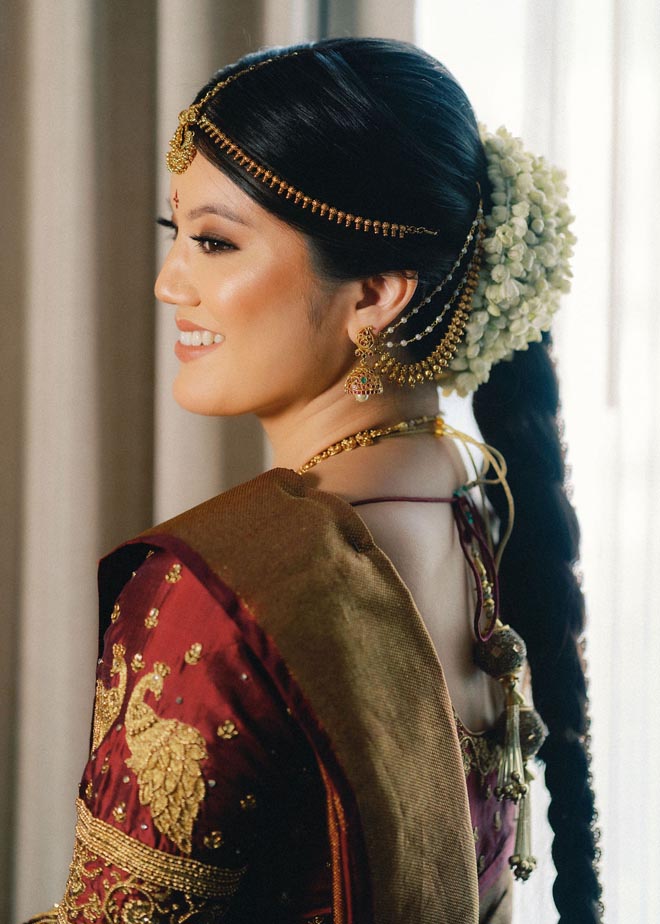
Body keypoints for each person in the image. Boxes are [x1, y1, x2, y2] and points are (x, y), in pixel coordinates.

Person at [26, 37, 602, 924]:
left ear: (376, 293)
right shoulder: (473, 500)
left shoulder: (217, 590)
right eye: (174, 233)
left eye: (215, 243)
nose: (168, 282)